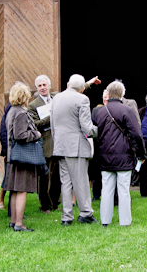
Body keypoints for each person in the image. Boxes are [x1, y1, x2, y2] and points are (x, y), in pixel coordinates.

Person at [96, 81, 146, 226]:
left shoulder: (100, 112)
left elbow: (99, 134)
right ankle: (125, 221)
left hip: (105, 155)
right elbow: (137, 134)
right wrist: (142, 154)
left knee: (107, 189)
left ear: (109, 94)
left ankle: (105, 220)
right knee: (123, 189)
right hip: (124, 154)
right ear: (122, 94)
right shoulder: (126, 110)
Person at [51, 74, 98, 225]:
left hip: (60, 144)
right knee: (81, 181)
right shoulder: (82, 99)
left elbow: (53, 124)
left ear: (67, 84)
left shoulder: (56, 98)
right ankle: (85, 213)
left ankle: (66, 216)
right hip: (76, 146)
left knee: (66, 182)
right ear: (82, 89)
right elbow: (87, 128)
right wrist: (100, 130)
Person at [4, 81, 41, 232]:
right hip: (22, 156)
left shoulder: (11, 111)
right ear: (24, 96)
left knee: (15, 189)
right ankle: (19, 223)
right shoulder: (21, 113)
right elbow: (20, 135)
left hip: (13, 155)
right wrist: (36, 134)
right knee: (22, 190)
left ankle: (14, 221)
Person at [28, 75, 61, 213]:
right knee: (44, 177)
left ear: (49, 85)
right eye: (39, 86)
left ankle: (55, 203)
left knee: (57, 177)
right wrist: (51, 116)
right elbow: (34, 124)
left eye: (44, 85)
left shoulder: (57, 97)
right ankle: (45, 205)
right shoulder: (33, 105)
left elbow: (73, 90)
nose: (42, 88)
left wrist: (88, 83)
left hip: (59, 143)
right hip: (45, 144)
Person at [90, 89, 109, 201]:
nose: (105, 98)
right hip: (98, 144)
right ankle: (96, 194)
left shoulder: (115, 110)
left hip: (110, 144)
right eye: (104, 96)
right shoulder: (96, 110)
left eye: (107, 96)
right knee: (96, 170)